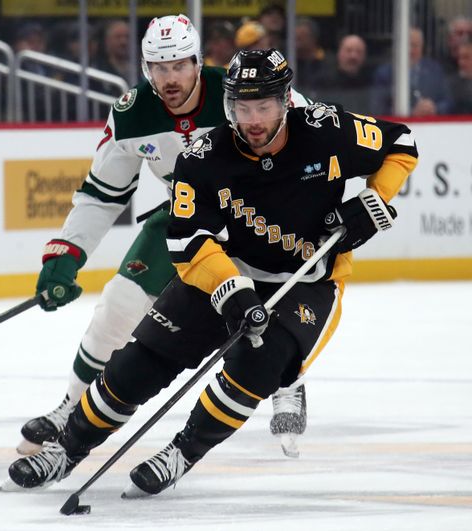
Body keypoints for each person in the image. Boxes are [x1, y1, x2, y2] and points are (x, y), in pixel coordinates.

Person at [4, 48, 418, 496]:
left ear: (285, 102)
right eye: (242, 107)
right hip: (223, 271)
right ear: (229, 106)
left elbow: (401, 143)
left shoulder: (325, 129)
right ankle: (66, 450)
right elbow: (185, 241)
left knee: (257, 363)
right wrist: (232, 289)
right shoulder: (204, 156)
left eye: (264, 106)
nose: (253, 119)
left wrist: (373, 200)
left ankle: (182, 452)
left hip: (304, 281)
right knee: (139, 361)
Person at [16, 15, 312, 463]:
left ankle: (287, 378)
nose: (170, 78)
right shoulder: (132, 113)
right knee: (117, 305)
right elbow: (101, 193)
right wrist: (67, 253)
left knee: (262, 308)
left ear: (197, 62)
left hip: (260, 221)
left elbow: (318, 136)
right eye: (158, 67)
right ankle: (70, 408)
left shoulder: (244, 89)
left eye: (178, 65)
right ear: (144, 68)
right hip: (185, 219)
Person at [371, 27, 451, 117]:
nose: (410, 50)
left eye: (415, 45)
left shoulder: (434, 70)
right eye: (407, 45)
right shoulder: (385, 73)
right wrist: (410, 112)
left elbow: (447, 102)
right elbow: (378, 108)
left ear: (422, 47)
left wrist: (434, 108)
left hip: (432, 126)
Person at [313, 34, 373, 115]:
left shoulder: (371, 82)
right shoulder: (323, 81)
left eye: (359, 52)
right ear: (339, 53)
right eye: (349, 50)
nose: (353, 56)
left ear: (365, 56)